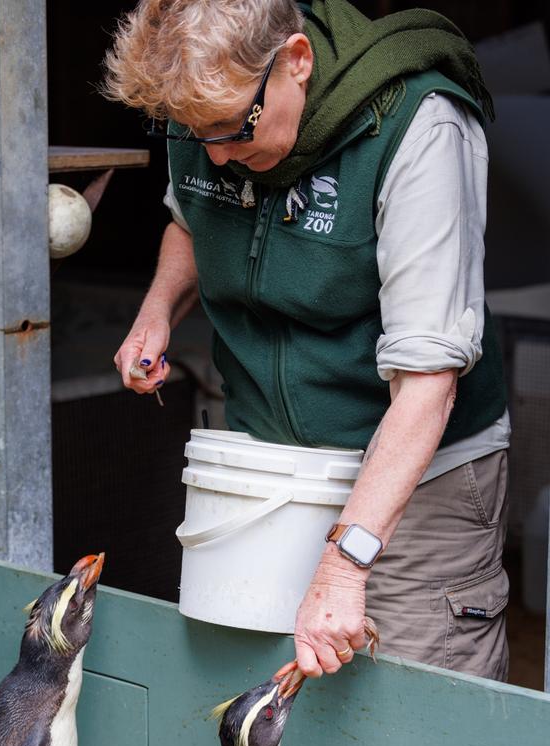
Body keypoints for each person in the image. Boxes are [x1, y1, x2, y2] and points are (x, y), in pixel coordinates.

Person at [102, 0, 510, 682]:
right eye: (191, 133)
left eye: (233, 129)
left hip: (419, 475)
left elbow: (427, 386)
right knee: (274, 700)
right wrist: (157, 310)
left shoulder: (418, 126)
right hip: (274, 469)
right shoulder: (207, 108)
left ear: (296, 61)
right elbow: (189, 219)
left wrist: (344, 563)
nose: (218, 155)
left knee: (417, 712)